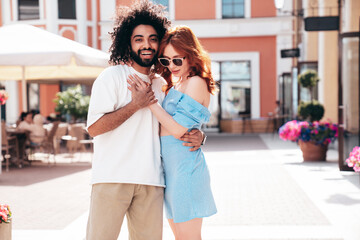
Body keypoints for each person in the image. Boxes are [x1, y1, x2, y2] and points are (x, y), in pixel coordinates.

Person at [85, 1, 204, 240]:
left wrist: (198, 135)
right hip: (112, 178)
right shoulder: (112, 77)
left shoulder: (163, 83)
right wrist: (135, 105)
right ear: (127, 42)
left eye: (152, 38)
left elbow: (171, 125)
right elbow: (94, 129)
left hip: (152, 180)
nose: (146, 44)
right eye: (138, 38)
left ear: (160, 42)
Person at [128, 25, 217, 240]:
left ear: (191, 55)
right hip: (172, 170)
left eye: (177, 60)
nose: (172, 65)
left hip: (185, 168)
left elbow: (178, 130)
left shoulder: (196, 82)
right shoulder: (178, 84)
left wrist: (148, 100)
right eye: (166, 61)